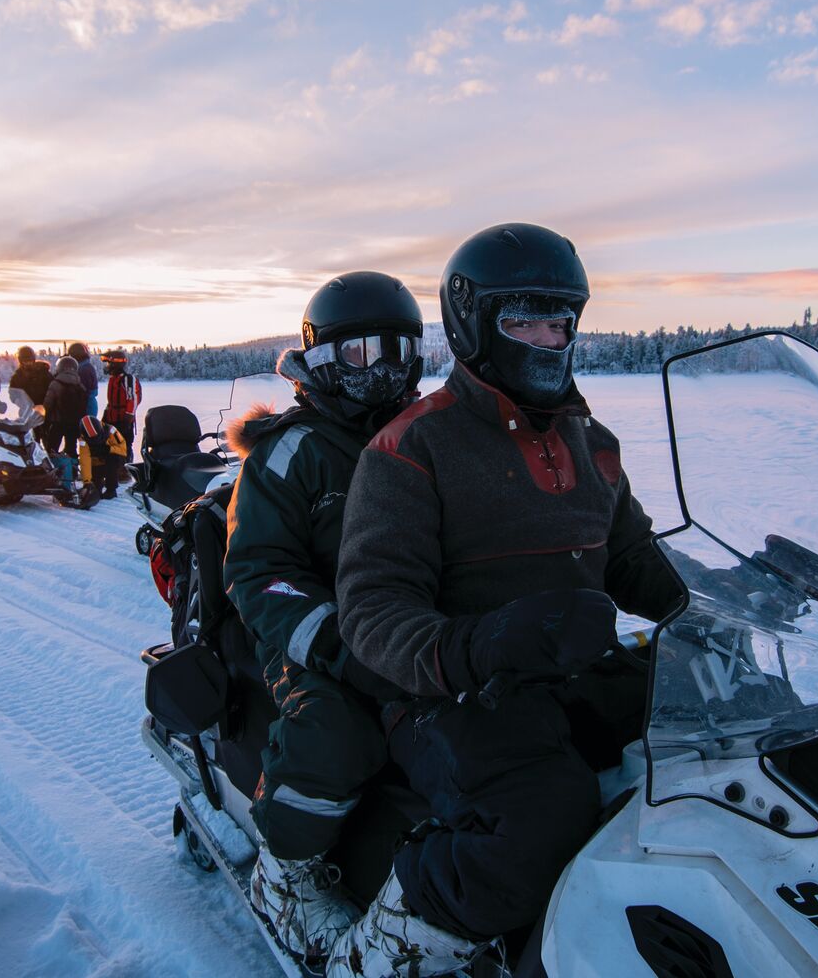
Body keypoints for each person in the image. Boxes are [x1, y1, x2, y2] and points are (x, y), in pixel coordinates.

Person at [328, 225, 684, 978]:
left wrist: (723, 597)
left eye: (561, 321)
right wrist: (480, 644)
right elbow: (373, 608)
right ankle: (383, 947)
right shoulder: (411, 449)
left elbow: (632, 559)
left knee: (718, 760)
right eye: (525, 319)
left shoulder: (593, 441)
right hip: (449, 692)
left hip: (578, 669)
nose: (549, 338)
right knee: (540, 820)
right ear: (473, 323)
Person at [223, 272, 425, 965]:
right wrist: (337, 644)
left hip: (414, 625)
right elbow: (258, 570)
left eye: (396, 351)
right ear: (323, 359)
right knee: (339, 731)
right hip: (315, 633)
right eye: (362, 354)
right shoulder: (294, 451)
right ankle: (284, 876)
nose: (383, 372)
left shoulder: (426, 436)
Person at [43, 354, 88, 488]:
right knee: (71, 448)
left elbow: (48, 404)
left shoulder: (55, 384)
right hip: (74, 423)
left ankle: (51, 474)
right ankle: (72, 474)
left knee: (52, 448)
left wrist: (43, 418)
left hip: (58, 422)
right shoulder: (80, 384)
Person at [101, 348, 141, 455]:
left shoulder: (128, 379)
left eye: (109, 364)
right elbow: (112, 402)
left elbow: (132, 399)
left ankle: (126, 468)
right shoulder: (113, 379)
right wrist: (105, 416)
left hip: (123, 421)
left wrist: (127, 419)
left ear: (115, 364)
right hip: (111, 421)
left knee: (125, 447)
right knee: (111, 447)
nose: (107, 367)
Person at [9, 345, 51, 411]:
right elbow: (12, 394)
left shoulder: (43, 372)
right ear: (21, 361)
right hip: (26, 411)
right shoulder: (17, 377)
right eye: (25, 361)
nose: (28, 363)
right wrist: (18, 401)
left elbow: (52, 389)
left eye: (30, 361)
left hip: (44, 410)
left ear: (33, 360)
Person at [68, 342, 100, 418]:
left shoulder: (84, 369)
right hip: (88, 405)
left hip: (86, 407)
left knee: (85, 427)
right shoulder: (84, 366)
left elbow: (82, 391)